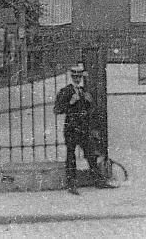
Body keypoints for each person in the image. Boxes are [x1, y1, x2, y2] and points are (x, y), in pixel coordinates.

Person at [53, 63, 112, 194]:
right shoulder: (66, 91)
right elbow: (57, 109)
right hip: (71, 128)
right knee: (71, 156)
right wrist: (70, 102)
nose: (77, 79)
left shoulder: (84, 91)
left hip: (83, 128)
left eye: (79, 76)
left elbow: (91, 110)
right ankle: (71, 184)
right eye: (74, 76)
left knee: (90, 154)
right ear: (71, 76)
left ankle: (98, 181)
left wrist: (89, 102)